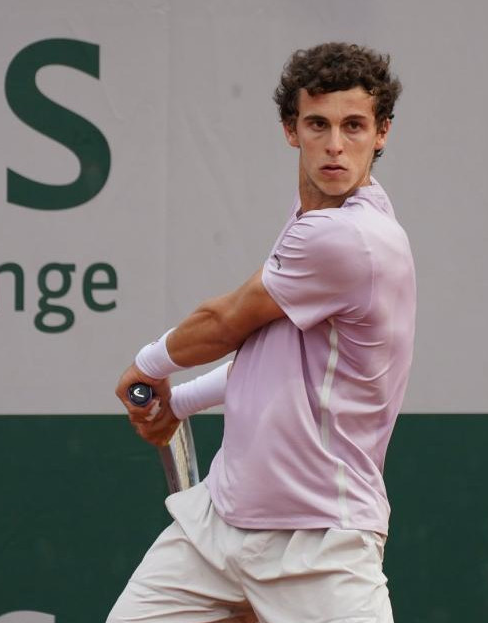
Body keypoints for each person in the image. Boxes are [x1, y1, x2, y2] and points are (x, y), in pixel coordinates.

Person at [109, 41, 414, 623]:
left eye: (354, 126)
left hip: (319, 538)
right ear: (290, 129)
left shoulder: (348, 239)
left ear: (382, 134)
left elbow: (225, 323)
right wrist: (185, 402)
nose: (334, 144)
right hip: (220, 522)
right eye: (317, 124)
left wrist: (149, 366)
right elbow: (273, 359)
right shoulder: (313, 221)